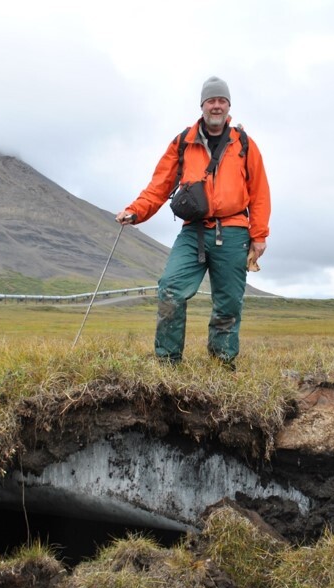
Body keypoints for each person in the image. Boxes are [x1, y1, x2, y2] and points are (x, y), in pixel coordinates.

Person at [116, 76, 271, 369]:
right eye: (211, 100)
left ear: (228, 106)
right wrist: (136, 211)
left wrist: (259, 235)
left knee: (228, 304)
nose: (216, 105)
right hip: (194, 231)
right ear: (202, 105)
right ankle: (168, 364)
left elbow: (260, 192)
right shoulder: (183, 142)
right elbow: (159, 186)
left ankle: (222, 365)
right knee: (171, 288)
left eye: (221, 100)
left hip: (235, 231)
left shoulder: (245, 144)